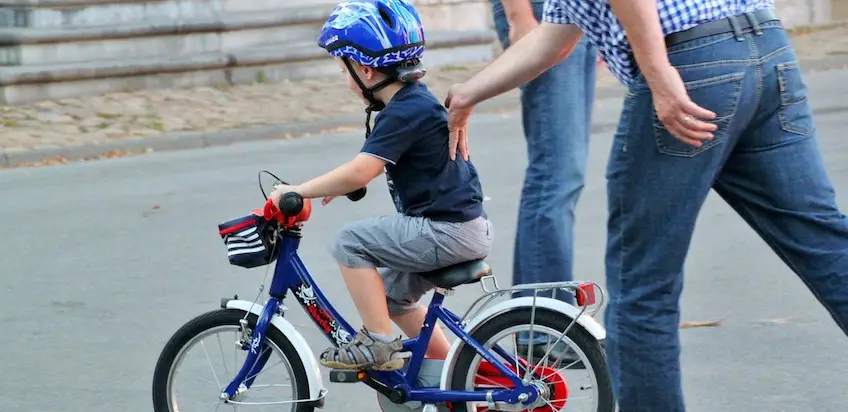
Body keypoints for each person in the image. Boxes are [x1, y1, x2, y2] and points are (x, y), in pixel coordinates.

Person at [443, 0, 848, 410]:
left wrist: (658, 73)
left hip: (690, 60)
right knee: (824, 242)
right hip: (767, 48)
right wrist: (467, 93)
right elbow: (556, 39)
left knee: (643, 291)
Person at [270, 0, 493, 371]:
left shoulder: (405, 111)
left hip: (446, 231)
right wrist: (337, 184)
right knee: (390, 298)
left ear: (366, 71)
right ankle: (455, 371)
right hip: (461, 227)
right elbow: (368, 170)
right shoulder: (411, 104)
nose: (347, 80)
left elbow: (361, 171)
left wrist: (296, 190)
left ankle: (378, 342)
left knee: (349, 242)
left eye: (346, 70)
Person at [489, 0, 597, 365]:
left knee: (564, 175)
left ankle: (539, 326)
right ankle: (540, 330)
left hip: (577, 14)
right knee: (555, 174)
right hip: (540, 12)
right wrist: (519, 15)